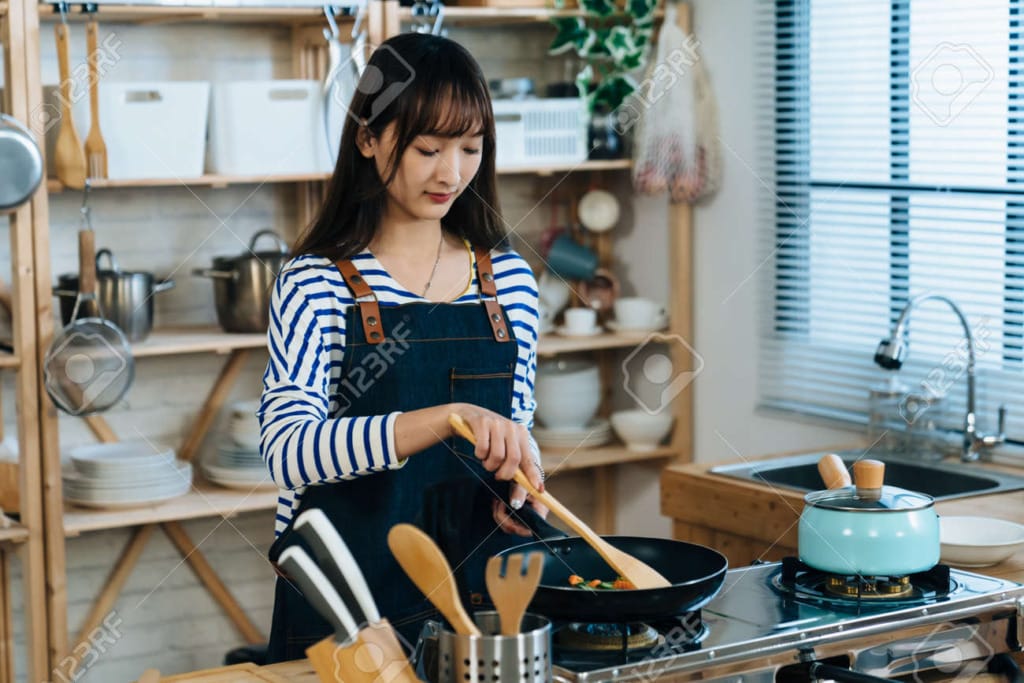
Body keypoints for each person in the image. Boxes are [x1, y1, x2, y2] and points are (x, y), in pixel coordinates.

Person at [259, 32, 560, 662]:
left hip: (476, 606)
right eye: (428, 149)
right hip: (341, 609)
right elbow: (288, 453)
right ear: (369, 139)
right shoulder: (316, 282)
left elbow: (515, 431)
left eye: (470, 148)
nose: (450, 173)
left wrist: (518, 477)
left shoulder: (509, 282)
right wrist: (444, 420)